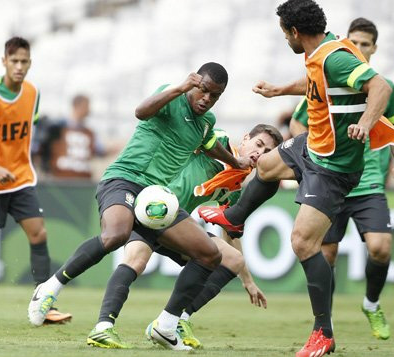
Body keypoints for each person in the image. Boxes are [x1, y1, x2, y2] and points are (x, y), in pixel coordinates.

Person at [198, 2, 394, 356]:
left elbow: (379, 87)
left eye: (284, 33)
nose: (284, 39)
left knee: (304, 244)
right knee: (267, 166)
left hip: (333, 167)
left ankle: (323, 332)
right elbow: (315, 82)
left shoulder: (335, 57)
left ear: (294, 32)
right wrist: (279, 91)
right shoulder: (323, 51)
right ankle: (235, 218)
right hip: (313, 145)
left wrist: (366, 123)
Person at [28, 63, 251, 349]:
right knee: (116, 235)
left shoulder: (205, 122)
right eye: (203, 90)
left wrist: (236, 162)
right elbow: (140, 111)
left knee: (209, 254)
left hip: (157, 197)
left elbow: (209, 145)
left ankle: (166, 326)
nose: (206, 99)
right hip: (124, 179)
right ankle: (49, 288)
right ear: (194, 83)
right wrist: (179, 88)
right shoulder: (171, 98)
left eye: (214, 96)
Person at [86, 124, 282, 349]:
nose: (259, 153)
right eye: (258, 145)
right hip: (151, 206)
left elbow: (230, 229)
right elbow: (185, 136)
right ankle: (103, 326)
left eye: (267, 152)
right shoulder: (219, 140)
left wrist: (247, 280)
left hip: (177, 224)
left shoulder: (235, 185)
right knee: (136, 259)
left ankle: (177, 320)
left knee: (234, 259)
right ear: (245, 138)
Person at [287, 18, 394, 340]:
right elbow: (298, 124)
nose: (359, 48)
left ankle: (371, 303)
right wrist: (312, 160)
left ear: (374, 48)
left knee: (381, 247)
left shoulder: (382, 88)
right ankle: (324, 326)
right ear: (347, 43)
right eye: (353, 42)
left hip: (367, 185)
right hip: (331, 178)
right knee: (324, 255)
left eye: (365, 44)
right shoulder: (329, 78)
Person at [0, 37, 71, 324]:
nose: (19, 66)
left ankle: (44, 306)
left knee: (39, 234)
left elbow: (26, 132)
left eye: (24, 61)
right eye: (13, 61)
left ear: (30, 63)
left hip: (21, 178)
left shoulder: (32, 92)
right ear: (4, 61)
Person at [37, 94, 110, 179]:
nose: (89, 110)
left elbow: (100, 150)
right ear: (76, 106)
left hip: (82, 181)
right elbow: (42, 149)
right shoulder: (58, 127)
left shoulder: (89, 132)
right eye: (86, 106)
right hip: (60, 180)